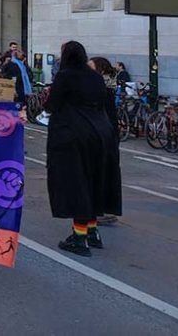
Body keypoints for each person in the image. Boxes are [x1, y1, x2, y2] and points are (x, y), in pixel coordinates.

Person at [46, 41, 122, 257]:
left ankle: (79, 237)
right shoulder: (95, 77)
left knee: (76, 183)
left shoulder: (65, 76)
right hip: (101, 134)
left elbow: (52, 104)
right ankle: (92, 231)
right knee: (94, 181)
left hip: (74, 135)